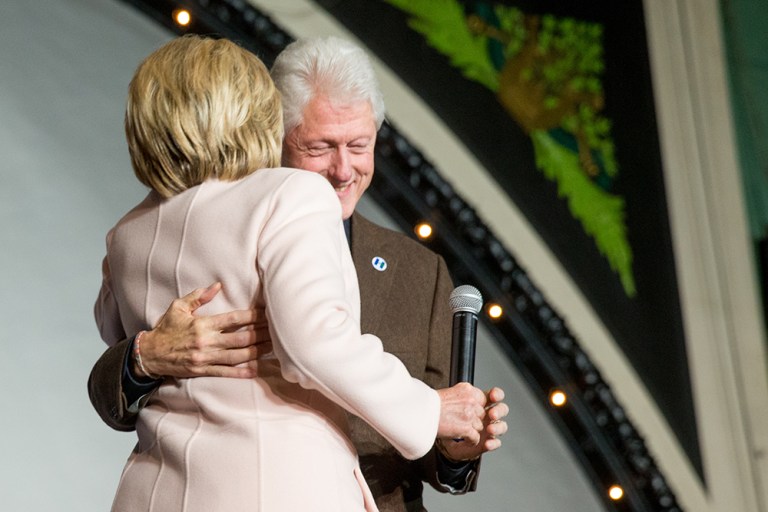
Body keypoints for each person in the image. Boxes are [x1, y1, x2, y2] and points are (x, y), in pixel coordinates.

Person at [89, 36, 509, 511]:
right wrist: (145, 356)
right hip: (280, 487)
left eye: (359, 145)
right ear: (272, 130)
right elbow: (315, 344)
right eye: (319, 146)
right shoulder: (292, 196)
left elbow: (109, 324)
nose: (342, 168)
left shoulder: (127, 232)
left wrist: (455, 445)